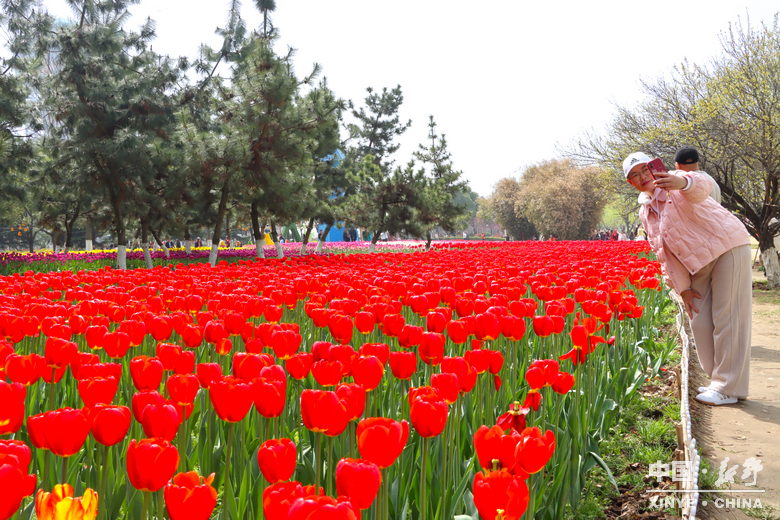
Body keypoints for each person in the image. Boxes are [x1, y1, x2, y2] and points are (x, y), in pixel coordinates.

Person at [623, 148, 752, 406]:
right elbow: (663, 252)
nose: (643, 176)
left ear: (654, 167)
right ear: (631, 183)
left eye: (645, 169)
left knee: (728, 316)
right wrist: (682, 289)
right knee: (699, 320)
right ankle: (720, 380)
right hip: (698, 264)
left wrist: (683, 181)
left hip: (727, 247)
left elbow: (702, 184)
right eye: (635, 175)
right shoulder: (646, 211)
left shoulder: (675, 181)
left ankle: (727, 386)